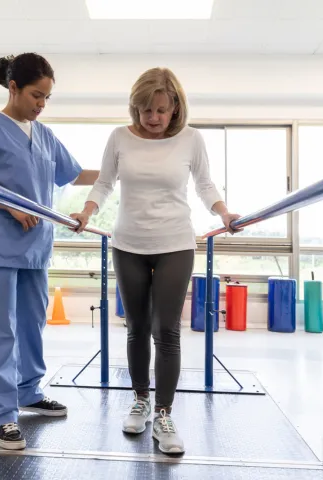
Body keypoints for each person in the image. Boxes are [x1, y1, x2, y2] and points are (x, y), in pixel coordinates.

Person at [70, 68, 241, 455]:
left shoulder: (191, 139)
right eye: (146, 110)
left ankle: (164, 414)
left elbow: (205, 184)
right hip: (128, 242)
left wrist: (224, 213)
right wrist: (86, 212)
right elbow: (104, 182)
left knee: (167, 330)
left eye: (161, 110)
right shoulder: (119, 137)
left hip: (175, 243)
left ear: (175, 106)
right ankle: (141, 400)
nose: (153, 118)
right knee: (137, 326)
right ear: (135, 108)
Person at [0, 53, 98, 450]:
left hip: (35, 249)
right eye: (37, 95)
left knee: (32, 326)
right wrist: (9, 206)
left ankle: (28, 391)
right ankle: (2, 415)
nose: (41, 104)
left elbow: (74, 173)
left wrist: (127, 166)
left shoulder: (46, 136)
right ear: (14, 87)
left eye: (47, 98)